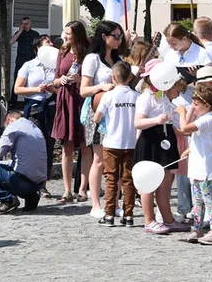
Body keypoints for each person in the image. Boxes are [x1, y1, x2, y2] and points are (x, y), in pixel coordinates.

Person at [134, 60, 186, 235]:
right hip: (150, 140)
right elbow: (138, 122)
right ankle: (149, 220)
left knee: (165, 182)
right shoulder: (145, 98)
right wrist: (156, 120)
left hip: (166, 139)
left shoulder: (164, 97)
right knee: (148, 183)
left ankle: (168, 219)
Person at [79, 20, 126, 215]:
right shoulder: (92, 59)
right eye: (115, 36)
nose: (118, 40)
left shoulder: (118, 58)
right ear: (104, 37)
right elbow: (83, 90)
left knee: (115, 159)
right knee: (99, 158)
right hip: (97, 110)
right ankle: (96, 205)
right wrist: (101, 86)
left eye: (120, 36)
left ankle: (114, 203)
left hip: (116, 111)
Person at [93, 61, 139, 226]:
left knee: (111, 179)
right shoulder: (136, 96)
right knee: (129, 179)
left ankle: (109, 215)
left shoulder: (109, 96)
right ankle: (128, 215)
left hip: (112, 142)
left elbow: (96, 118)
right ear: (130, 77)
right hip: (131, 142)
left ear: (113, 77)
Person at [178, 85, 212, 244]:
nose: (194, 107)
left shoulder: (208, 118)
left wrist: (183, 112)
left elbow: (184, 129)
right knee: (197, 200)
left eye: (196, 105)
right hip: (197, 165)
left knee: (209, 199)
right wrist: (191, 149)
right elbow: (201, 138)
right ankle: (197, 228)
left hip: (206, 167)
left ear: (207, 105)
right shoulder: (202, 118)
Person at [51, 21, 88, 203]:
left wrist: (82, 80)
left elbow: (94, 78)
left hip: (82, 101)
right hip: (66, 100)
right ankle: (67, 191)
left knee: (85, 145)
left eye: (69, 33)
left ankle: (82, 188)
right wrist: (62, 80)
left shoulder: (88, 53)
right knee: (67, 146)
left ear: (78, 35)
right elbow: (55, 80)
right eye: (65, 32)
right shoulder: (63, 52)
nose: (65, 36)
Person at [14, 35, 55, 182]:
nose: (51, 44)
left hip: (51, 107)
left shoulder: (56, 65)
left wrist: (53, 88)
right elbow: (17, 89)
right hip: (34, 108)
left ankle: (44, 181)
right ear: (38, 47)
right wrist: (36, 89)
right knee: (35, 143)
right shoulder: (28, 65)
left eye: (51, 41)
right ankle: (31, 179)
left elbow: (61, 88)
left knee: (49, 145)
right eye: (47, 42)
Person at [0, 109, 46, 214]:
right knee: (16, 166)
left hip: (21, 181)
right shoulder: (35, 128)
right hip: (39, 183)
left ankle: (7, 200)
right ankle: (31, 196)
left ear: (8, 118)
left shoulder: (13, 127)